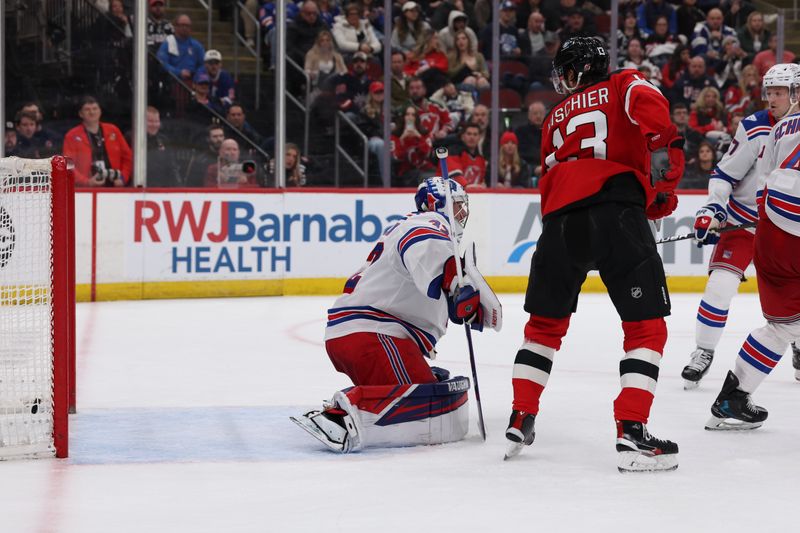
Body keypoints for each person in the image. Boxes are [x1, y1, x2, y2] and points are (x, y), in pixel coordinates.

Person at [504, 37, 684, 473]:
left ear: (583, 69)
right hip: (615, 210)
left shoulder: (553, 117)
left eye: (567, 69)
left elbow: (547, 175)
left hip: (559, 220)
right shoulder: (625, 82)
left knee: (543, 326)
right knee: (646, 329)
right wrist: (662, 184)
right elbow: (656, 116)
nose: (562, 78)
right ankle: (632, 430)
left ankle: (521, 415)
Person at [290, 177, 502, 453]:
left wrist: (462, 297)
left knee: (433, 391)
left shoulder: (414, 226)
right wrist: (455, 282)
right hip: (374, 335)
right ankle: (340, 416)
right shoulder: (428, 223)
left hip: (364, 336)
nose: (463, 213)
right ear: (433, 203)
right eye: (458, 205)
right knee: (429, 408)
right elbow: (424, 245)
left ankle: (359, 406)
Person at [684, 63, 800, 390]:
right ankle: (703, 351)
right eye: (769, 92)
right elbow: (724, 175)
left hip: (788, 228)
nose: (771, 98)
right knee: (719, 287)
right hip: (745, 222)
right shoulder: (754, 127)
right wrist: (712, 208)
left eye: (779, 92)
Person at [63, 97, 133, 187]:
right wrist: (86, 182)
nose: (92, 112)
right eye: (87, 109)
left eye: (95, 109)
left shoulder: (113, 130)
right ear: (81, 114)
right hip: (86, 190)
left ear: (100, 111)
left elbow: (128, 157)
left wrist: (123, 177)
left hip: (114, 187)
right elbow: (68, 165)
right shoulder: (72, 136)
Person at [156, 14, 205, 83]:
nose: (184, 28)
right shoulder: (168, 43)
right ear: (175, 26)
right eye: (182, 25)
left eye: (187, 26)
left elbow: (203, 65)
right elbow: (162, 63)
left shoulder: (196, 45)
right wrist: (179, 72)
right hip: (172, 81)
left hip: (192, 82)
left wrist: (195, 74)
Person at [144, 106, 181, 187]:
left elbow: (172, 166)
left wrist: (178, 187)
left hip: (162, 189)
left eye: (156, 121)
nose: (154, 125)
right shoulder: (133, 138)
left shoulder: (163, 140)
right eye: (150, 121)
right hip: (139, 189)